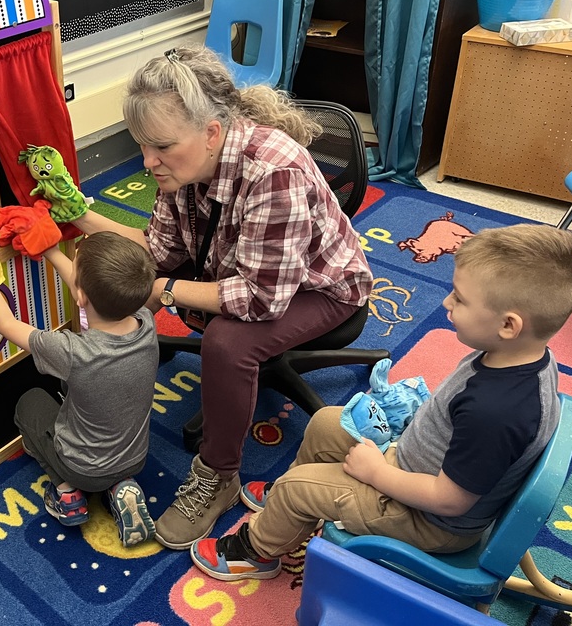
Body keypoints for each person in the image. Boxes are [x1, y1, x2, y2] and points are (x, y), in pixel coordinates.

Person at [49, 44, 374, 550]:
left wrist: (164, 291)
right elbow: (158, 250)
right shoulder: (181, 165)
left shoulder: (275, 171)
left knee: (227, 342)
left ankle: (218, 476)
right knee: (143, 275)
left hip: (321, 289)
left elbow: (261, 300)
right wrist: (76, 216)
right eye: (142, 146)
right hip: (242, 270)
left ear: (212, 132)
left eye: (161, 146)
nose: (148, 162)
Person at [189, 223, 572, 581]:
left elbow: (450, 501)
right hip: (415, 468)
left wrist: (377, 473)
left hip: (428, 520)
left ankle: (255, 552)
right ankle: (289, 509)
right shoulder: (521, 355)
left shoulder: (495, 412)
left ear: (508, 325)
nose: (446, 303)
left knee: (297, 488)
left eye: (460, 299)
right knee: (326, 422)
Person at [0, 197, 160, 546]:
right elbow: (88, 293)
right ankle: (120, 487)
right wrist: (49, 248)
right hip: (135, 459)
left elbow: (6, 324)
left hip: (82, 469)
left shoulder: (72, 351)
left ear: (80, 295)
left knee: (31, 402)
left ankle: (67, 493)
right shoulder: (146, 322)